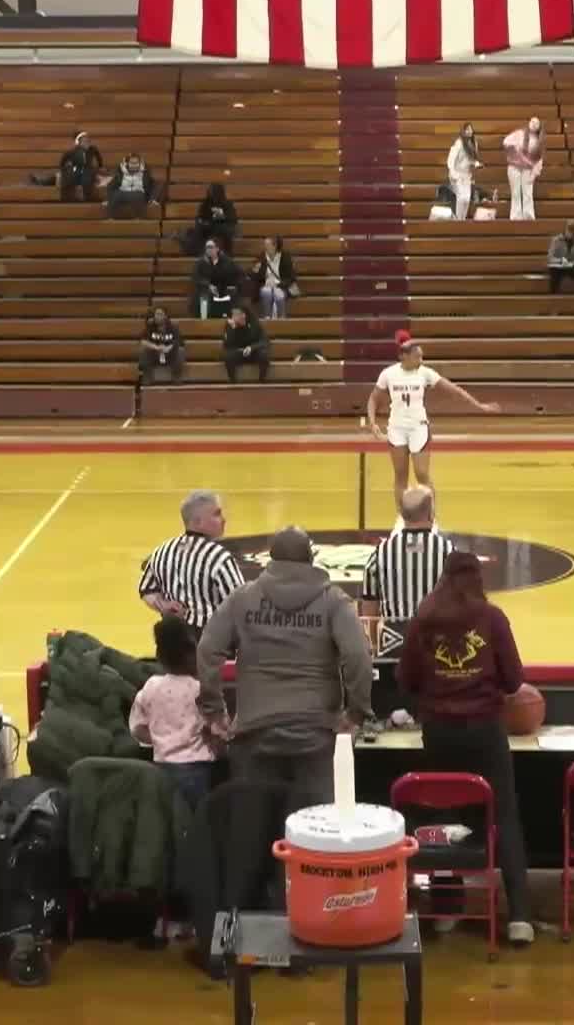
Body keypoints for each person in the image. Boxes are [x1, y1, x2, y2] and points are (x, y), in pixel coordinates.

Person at [395, 550, 535, 946]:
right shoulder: (492, 619)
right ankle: (520, 917)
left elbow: (405, 678)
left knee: (444, 816)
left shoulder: (425, 618)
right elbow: (514, 680)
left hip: (439, 731)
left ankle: (447, 910)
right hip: (486, 730)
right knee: (504, 815)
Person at [197, 525, 372, 809]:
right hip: (316, 733)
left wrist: (214, 710)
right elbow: (358, 656)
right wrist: (356, 712)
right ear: (311, 558)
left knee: (254, 833)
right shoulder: (333, 600)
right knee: (315, 831)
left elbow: (207, 649)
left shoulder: (243, 598)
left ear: (270, 559)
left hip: (255, 733)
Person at [367, 332, 500, 506]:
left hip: (418, 427)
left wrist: (479, 406)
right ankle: (403, 517)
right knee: (400, 475)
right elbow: (373, 399)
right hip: (397, 428)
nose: (421, 360)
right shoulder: (388, 374)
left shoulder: (426, 373)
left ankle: (430, 517)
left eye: (421, 356)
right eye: (417, 356)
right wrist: (372, 422)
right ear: (404, 357)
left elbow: (454, 390)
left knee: (422, 474)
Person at [130, 616, 218, 811]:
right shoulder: (201, 690)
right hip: (198, 773)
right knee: (195, 824)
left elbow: (137, 728)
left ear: (159, 656)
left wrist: (159, 738)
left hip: (161, 771)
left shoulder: (151, 687)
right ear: (192, 654)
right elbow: (218, 730)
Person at [138, 490, 245, 635]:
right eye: (217, 514)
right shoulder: (218, 557)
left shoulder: (162, 551)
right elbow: (241, 605)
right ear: (198, 522)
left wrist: (164, 606)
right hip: (211, 645)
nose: (223, 520)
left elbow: (146, 590)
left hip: (175, 643)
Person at [361, 485, 455, 623]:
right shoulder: (448, 551)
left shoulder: (380, 553)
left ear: (402, 515)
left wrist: (375, 643)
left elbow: (369, 612)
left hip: (394, 641)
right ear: (431, 514)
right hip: (435, 641)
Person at [502, 117, 544, 221]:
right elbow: (505, 141)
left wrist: (534, 173)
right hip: (514, 166)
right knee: (515, 192)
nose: (534, 124)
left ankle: (528, 215)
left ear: (539, 127)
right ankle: (515, 216)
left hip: (528, 169)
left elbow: (539, 160)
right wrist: (512, 145)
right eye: (532, 121)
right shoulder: (519, 133)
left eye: (537, 123)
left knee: (528, 192)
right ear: (529, 122)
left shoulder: (539, 142)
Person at [192, 238, 242, 320]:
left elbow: (237, 274)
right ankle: (205, 320)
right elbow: (196, 278)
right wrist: (208, 285)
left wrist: (233, 285)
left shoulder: (226, 261)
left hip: (223, 289)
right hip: (207, 290)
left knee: (234, 294)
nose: (208, 250)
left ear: (217, 249)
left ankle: (233, 319)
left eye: (211, 247)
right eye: (207, 247)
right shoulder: (201, 262)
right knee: (204, 295)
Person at [252, 236, 299, 319]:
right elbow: (254, 275)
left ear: (275, 246)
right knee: (266, 292)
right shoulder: (262, 256)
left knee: (278, 294)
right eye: (265, 245)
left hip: (281, 286)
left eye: (267, 245)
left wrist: (277, 284)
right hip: (266, 285)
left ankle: (281, 318)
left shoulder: (285, 257)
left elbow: (291, 277)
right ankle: (267, 316)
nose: (265, 247)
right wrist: (256, 271)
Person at [138, 305, 186, 385]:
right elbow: (143, 341)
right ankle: (147, 376)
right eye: (156, 314)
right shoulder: (150, 326)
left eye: (160, 314)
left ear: (165, 316)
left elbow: (179, 342)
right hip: (155, 355)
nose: (157, 316)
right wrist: (156, 347)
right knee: (143, 351)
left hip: (169, 355)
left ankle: (176, 376)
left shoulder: (173, 327)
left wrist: (168, 348)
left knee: (180, 351)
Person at [221, 305, 269, 383]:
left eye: (236, 314)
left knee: (263, 354)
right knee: (228, 356)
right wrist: (233, 329)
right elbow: (227, 344)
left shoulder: (254, 323)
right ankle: (233, 381)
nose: (234, 317)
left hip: (252, 352)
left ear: (243, 315)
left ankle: (261, 381)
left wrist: (251, 348)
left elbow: (264, 341)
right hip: (238, 352)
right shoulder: (230, 324)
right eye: (233, 314)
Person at [58, 131, 104, 203]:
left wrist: (100, 166)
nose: (87, 142)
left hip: (88, 170)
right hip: (76, 170)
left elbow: (99, 158)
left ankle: (85, 195)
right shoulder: (73, 151)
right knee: (67, 176)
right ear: (79, 143)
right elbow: (63, 159)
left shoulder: (92, 149)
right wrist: (62, 168)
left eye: (88, 141)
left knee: (86, 178)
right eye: (84, 141)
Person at [105, 153, 156, 219]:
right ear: (127, 164)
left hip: (138, 193)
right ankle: (111, 218)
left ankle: (138, 218)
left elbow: (153, 185)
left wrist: (152, 199)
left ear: (140, 164)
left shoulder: (145, 173)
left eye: (136, 163)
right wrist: (109, 199)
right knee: (116, 194)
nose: (134, 165)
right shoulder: (120, 173)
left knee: (139, 195)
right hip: (122, 193)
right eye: (132, 163)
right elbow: (110, 186)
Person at [193, 182, 238, 256]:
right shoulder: (205, 204)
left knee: (223, 230)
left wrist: (220, 217)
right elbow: (200, 218)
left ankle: (225, 254)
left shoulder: (227, 204)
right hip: (207, 230)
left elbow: (231, 220)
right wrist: (204, 222)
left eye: (213, 192)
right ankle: (201, 253)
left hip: (223, 230)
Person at [446, 123, 481, 218]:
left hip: (467, 175)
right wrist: (453, 174)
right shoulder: (459, 143)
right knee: (461, 198)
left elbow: (471, 159)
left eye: (470, 129)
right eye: (467, 129)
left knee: (466, 199)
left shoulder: (474, 143)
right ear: (463, 131)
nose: (469, 131)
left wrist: (476, 163)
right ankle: (458, 220)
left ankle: (462, 219)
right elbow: (451, 159)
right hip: (457, 174)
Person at [546, 219, 574, 293]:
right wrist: (560, 260)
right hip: (559, 266)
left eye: (573, 231)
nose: (571, 233)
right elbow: (550, 258)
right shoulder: (556, 240)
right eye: (569, 230)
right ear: (565, 229)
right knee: (553, 272)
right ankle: (553, 297)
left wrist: (573, 263)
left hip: (573, 266)